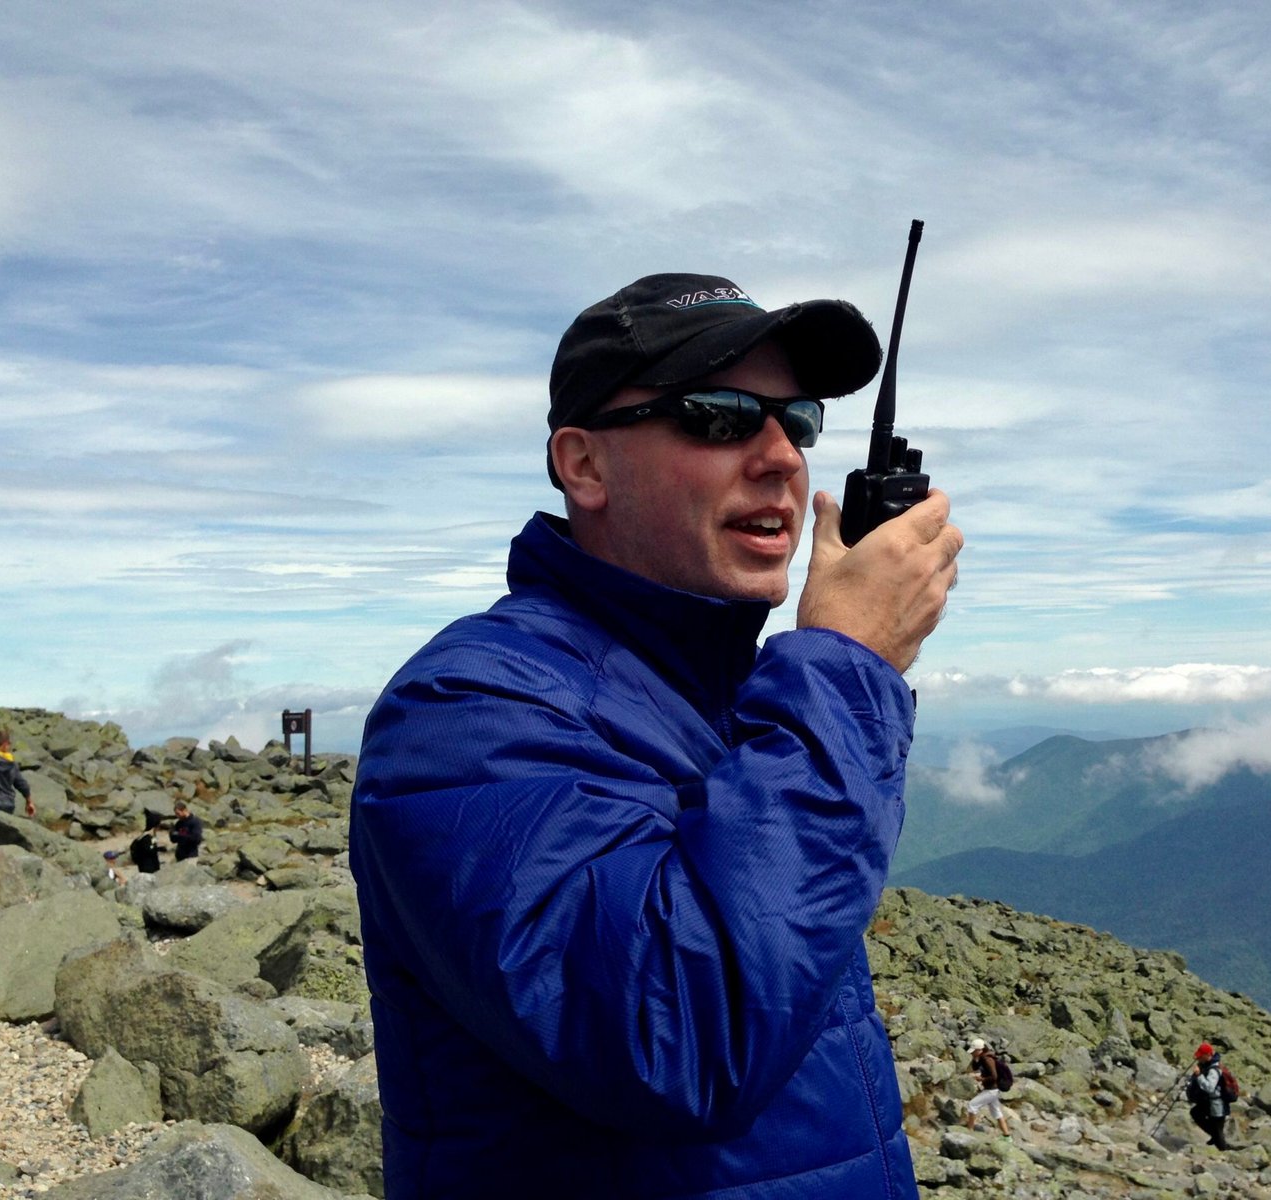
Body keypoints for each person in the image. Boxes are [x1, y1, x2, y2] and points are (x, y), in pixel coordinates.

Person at [351, 271, 963, 1199]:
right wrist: (846, 663)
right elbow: (684, 1038)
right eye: (718, 417)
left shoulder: (738, 698)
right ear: (583, 464)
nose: (782, 457)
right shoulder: (466, 711)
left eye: (797, 422)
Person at [1187, 1042, 1233, 1150]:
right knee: (1195, 1113)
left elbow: (1209, 1087)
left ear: (1207, 1055)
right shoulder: (1208, 1065)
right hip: (1210, 1103)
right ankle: (1217, 1140)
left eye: (1201, 1056)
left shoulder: (1214, 1070)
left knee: (1217, 1133)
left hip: (1217, 1105)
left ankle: (1225, 1152)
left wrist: (1199, 1076)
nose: (1199, 1059)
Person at [965, 1038, 1012, 1136]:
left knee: (972, 1105)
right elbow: (975, 1067)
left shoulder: (987, 1059)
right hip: (993, 1090)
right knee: (997, 1113)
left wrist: (981, 1079)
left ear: (979, 1050)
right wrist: (974, 1059)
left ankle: (969, 1131)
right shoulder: (982, 1058)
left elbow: (994, 1076)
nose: (972, 1053)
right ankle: (1007, 1136)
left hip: (992, 1090)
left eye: (973, 1051)